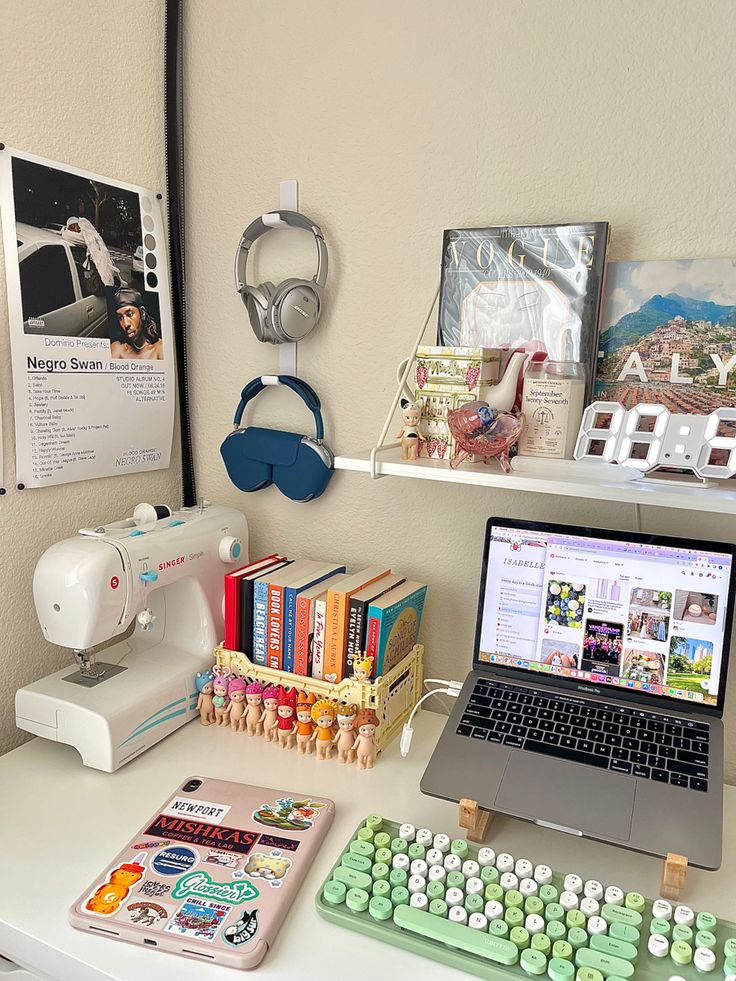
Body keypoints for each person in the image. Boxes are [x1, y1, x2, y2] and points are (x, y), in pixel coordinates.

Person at [65, 217, 122, 287]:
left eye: (75, 227)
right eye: (72, 228)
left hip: (98, 277)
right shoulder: (86, 239)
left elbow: (69, 235)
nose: (76, 230)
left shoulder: (89, 237)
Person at [109, 287, 163, 360]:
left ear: (142, 313)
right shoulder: (118, 348)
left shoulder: (159, 349)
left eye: (130, 314)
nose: (125, 324)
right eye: (120, 318)